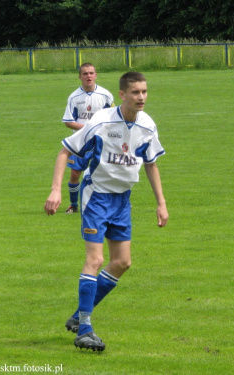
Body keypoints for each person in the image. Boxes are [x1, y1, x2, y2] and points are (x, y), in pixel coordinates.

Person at [45, 71, 169, 351]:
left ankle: (79, 315)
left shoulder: (148, 126)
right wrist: (56, 190)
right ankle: (84, 329)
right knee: (95, 259)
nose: (142, 97)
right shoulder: (100, 121)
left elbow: (151, 163)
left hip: (122, 201)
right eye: (136, 92)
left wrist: (161, 203)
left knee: (122, 262)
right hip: (96, 197)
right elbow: (65, 151)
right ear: (122, 94)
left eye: (145, 92)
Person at [62, 62, 115, 213]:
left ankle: (118, 201)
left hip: (101, 140)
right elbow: (68, 122)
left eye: (91, 73)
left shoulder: (105, 95)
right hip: (80, 142)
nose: (88, 76)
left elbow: (113, 118)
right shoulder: (74, 97)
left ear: (96, 75)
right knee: (74, 173)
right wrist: (88, 129)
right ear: (80, 77)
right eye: (85, 74)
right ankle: (74, 205)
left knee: (109, 172)